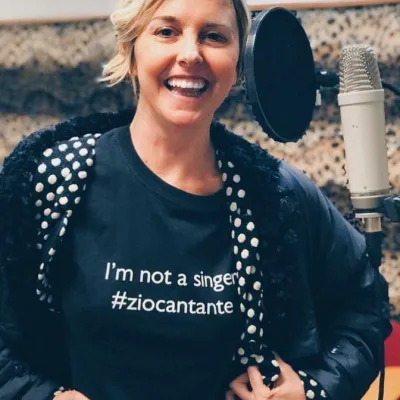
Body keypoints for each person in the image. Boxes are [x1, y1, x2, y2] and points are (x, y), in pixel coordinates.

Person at [0, 0, 392, 399]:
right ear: (131, 51)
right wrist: (44, 396)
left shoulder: (277, 195)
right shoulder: (52, 179)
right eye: (166, 31)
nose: (190, 54)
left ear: (239, 63)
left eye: (214, 36)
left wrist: (313, 390)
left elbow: (365, 309)